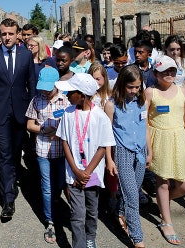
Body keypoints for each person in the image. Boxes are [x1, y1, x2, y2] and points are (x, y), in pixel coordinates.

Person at [0, 18, 37, 219]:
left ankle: (11, 179)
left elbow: (31, 84)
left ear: (17, 34)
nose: (7, 37)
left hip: (21, 113)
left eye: (11, 34)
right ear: (0, 34)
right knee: (4, 155)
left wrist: (32, 112)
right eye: (4, 34)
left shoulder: (25, 55)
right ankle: (8, 200)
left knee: (14, 154)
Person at [54, 73, 115, 248]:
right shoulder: (68, 113)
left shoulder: (100, 117)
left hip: (92, 174)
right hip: (73, 173)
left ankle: (90, 237)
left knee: (91, 209)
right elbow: (65, 141)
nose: (66, 95)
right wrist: (75, 170)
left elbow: (102, 147)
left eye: (70, 92)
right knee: (77, 213)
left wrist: (86, 173)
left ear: (81, 94)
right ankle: (78, 245)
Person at [145, 55, 185, 245]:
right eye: (165, 71)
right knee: (163, 181)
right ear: (155, 73)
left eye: (172, 70)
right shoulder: (150, 92)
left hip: (179, 138)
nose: (169, 74)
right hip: (158, 138)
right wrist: (149, 150)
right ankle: (166, 221)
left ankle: (163, 202)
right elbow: (145, 121)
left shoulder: (183, 91)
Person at [25, 67, 70, 243]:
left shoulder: (65, 102)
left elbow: (69, 126)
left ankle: (55, 202)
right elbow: (30, 125)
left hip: (60, 151)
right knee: (46, 186)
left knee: (58, 183)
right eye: (42, 87)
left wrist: (57, 132)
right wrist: (44, 129)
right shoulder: (36, 101)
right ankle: (50, 220)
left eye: (48, 87)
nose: (45, 90)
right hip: (43, 149)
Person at [106, 65, 148, 248]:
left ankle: (119, 211)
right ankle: (138, 238)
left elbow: (145, 128)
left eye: (138, 87)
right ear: (122, 84)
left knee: (134, 188)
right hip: (122, 151)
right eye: (131, 87)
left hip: (141, 151)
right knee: (132, 195)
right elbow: (106, 134)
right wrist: (109, 158)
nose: (135, 91)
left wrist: (150, 151)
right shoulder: (111, 104)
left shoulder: (142, 102)